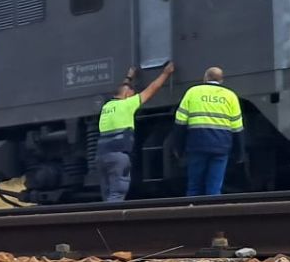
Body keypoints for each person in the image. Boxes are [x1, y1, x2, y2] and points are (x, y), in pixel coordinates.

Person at [96, 62, 176, 203]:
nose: (134, 94)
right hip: (119, 157)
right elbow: (152, 89)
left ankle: (103, 222)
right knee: (117, 194)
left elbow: (122, 90)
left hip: (102, 157)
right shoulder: (128, 104)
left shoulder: (106, 107)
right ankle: (112, 221)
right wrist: (166, 73)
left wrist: (129, 77)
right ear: (127, 95)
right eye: (132, 93)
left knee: (107, 194)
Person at [174, 66, 244, 197]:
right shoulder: (230, 96)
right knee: (214, 188)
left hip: (197, 145)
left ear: (205, 78)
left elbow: (180, 122)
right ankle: (214, 214)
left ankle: (192, 213)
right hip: (221, 147)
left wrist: (178, 148)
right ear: (221, 80)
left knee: (194, 186)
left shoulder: (193, 92)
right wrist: (240, 152)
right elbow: (237, 128)